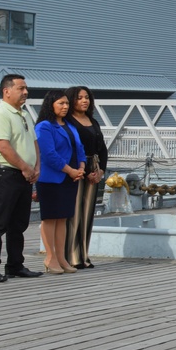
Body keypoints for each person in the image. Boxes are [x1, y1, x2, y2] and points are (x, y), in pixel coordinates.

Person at [0, 74, 43, 282]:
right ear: (7, 91)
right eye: (21, 88)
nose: (26, 92)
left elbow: (34, 143)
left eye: (26, 88)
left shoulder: (24, 114)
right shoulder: (0, 115)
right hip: (6, 174)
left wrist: (36, 167)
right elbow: (3, 147)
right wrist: (25, 168)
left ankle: (15, 265)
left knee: (19, 224)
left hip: (24, 175)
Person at [35, 90, 86, 274]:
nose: (65, 107)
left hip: (70, 177)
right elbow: (49, 155)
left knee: (63, 218)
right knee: (50, 218)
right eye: (61, 104)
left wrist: (81, 166)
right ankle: (50, 257)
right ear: (51, 105)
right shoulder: (44, 126)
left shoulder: (70, 125)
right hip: (51, 178)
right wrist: (70, 170)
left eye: (66, 103)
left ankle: (62, 257)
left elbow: (79, 147)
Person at [65, 85, 108, 269]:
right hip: (75, 168)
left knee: (88, 212)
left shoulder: (93, 121)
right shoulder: (67, 121)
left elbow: (102, 149)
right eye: (79, 97)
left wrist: (100, 171)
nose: (84, 101)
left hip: (93, 166)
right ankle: (72, 255)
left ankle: (84, 254)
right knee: (74, 212)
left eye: (87, 97)